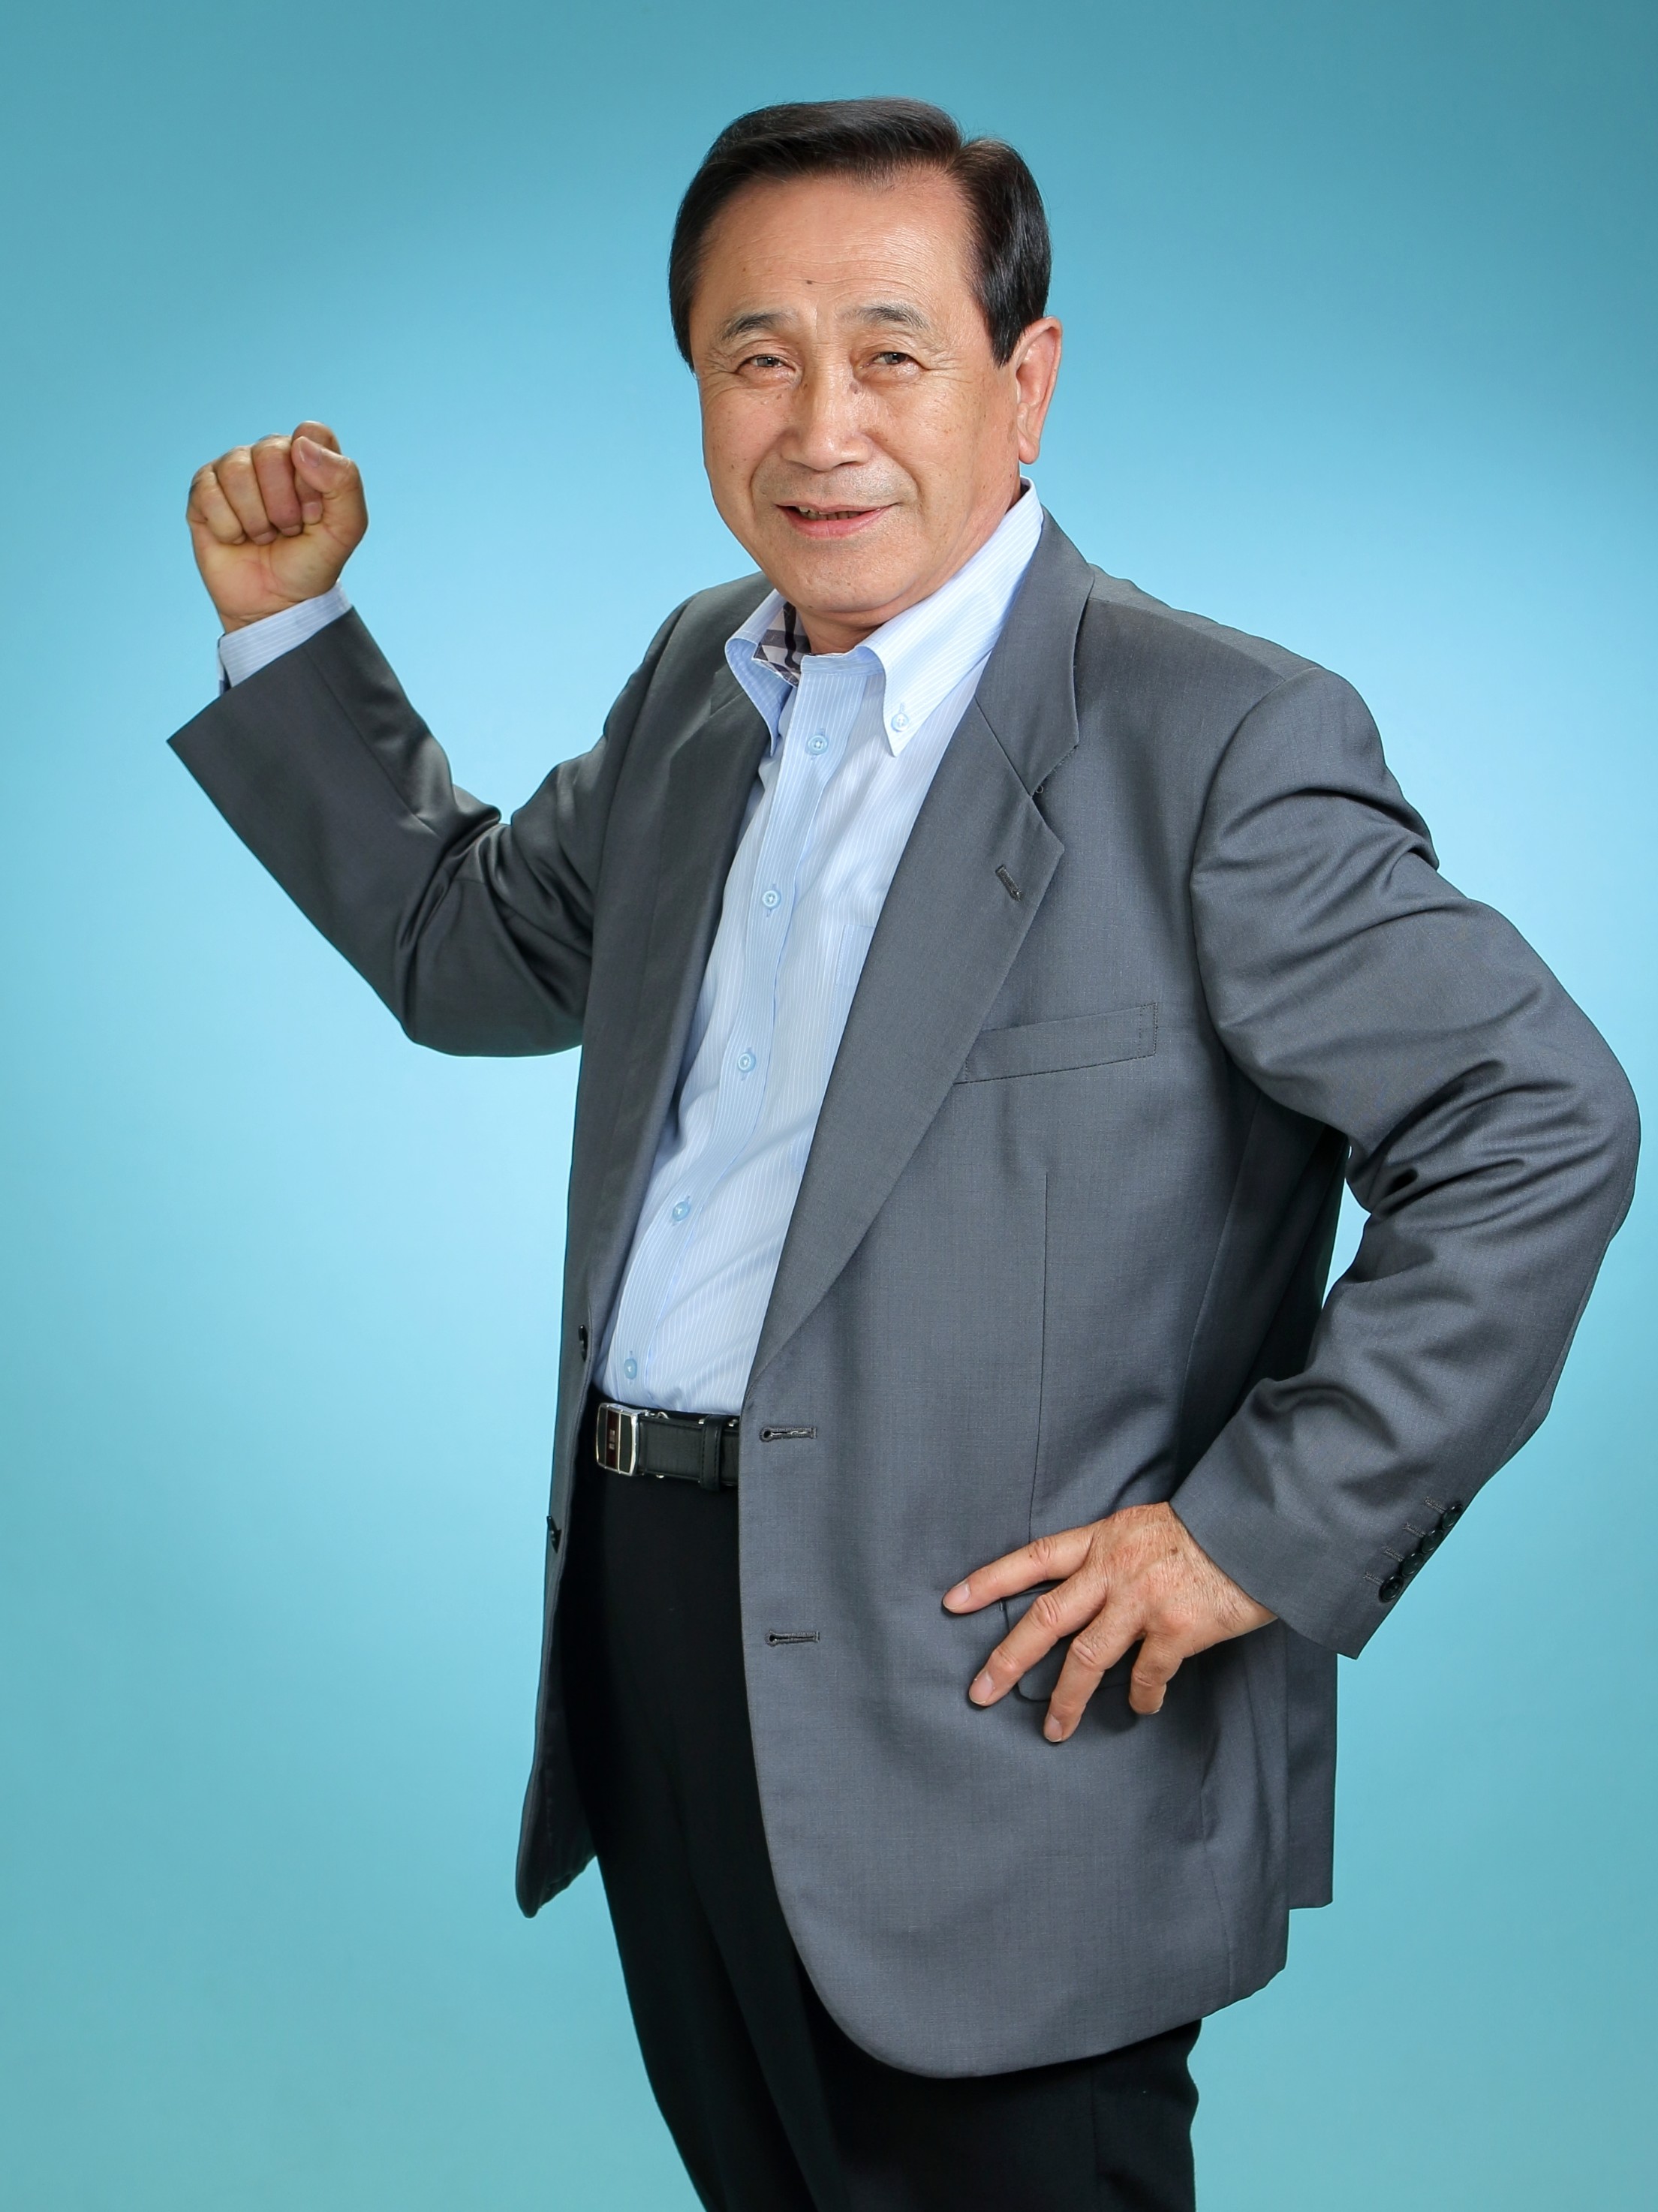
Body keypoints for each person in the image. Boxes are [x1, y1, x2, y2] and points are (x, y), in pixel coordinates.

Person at [171, 98, 1638, 2212]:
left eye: (890, 351)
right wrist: (287, 634)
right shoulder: (700, 688)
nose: (820, 424)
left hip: (997, 1711)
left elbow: (1534, 1120)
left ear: (1022, 385)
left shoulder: (1212, 738)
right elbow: (462, 948)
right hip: (656, 1628)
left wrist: (1257, 1531)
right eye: (756, 358)